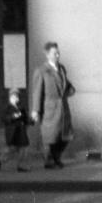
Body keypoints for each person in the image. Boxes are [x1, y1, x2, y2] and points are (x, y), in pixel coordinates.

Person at [29, 41, 75, 169]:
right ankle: (49, 161)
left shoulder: (61, 68)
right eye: (55, 53)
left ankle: (56, 157)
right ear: (47, 55)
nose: (58, 55)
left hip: (63, 107)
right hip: (49, 108)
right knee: (50, 137)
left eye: (58, 52)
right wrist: (35, 110)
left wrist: (70, 89)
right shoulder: (41, 71)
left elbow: (65, 83)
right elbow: (37, 92)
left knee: (65, 136)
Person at [0, 87, 30, 172]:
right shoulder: (7, 108)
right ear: (10, 98)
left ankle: (21, 165)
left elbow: (25, 118)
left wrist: (29, 121)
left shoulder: (21, 107)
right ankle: (0, 160)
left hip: (21, 131)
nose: (15, 99)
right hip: (13, 132)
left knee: (23, 148)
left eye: (17, 97)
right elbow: (4, 118)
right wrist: (13, 117)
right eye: (13, 97)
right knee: (11, 149)